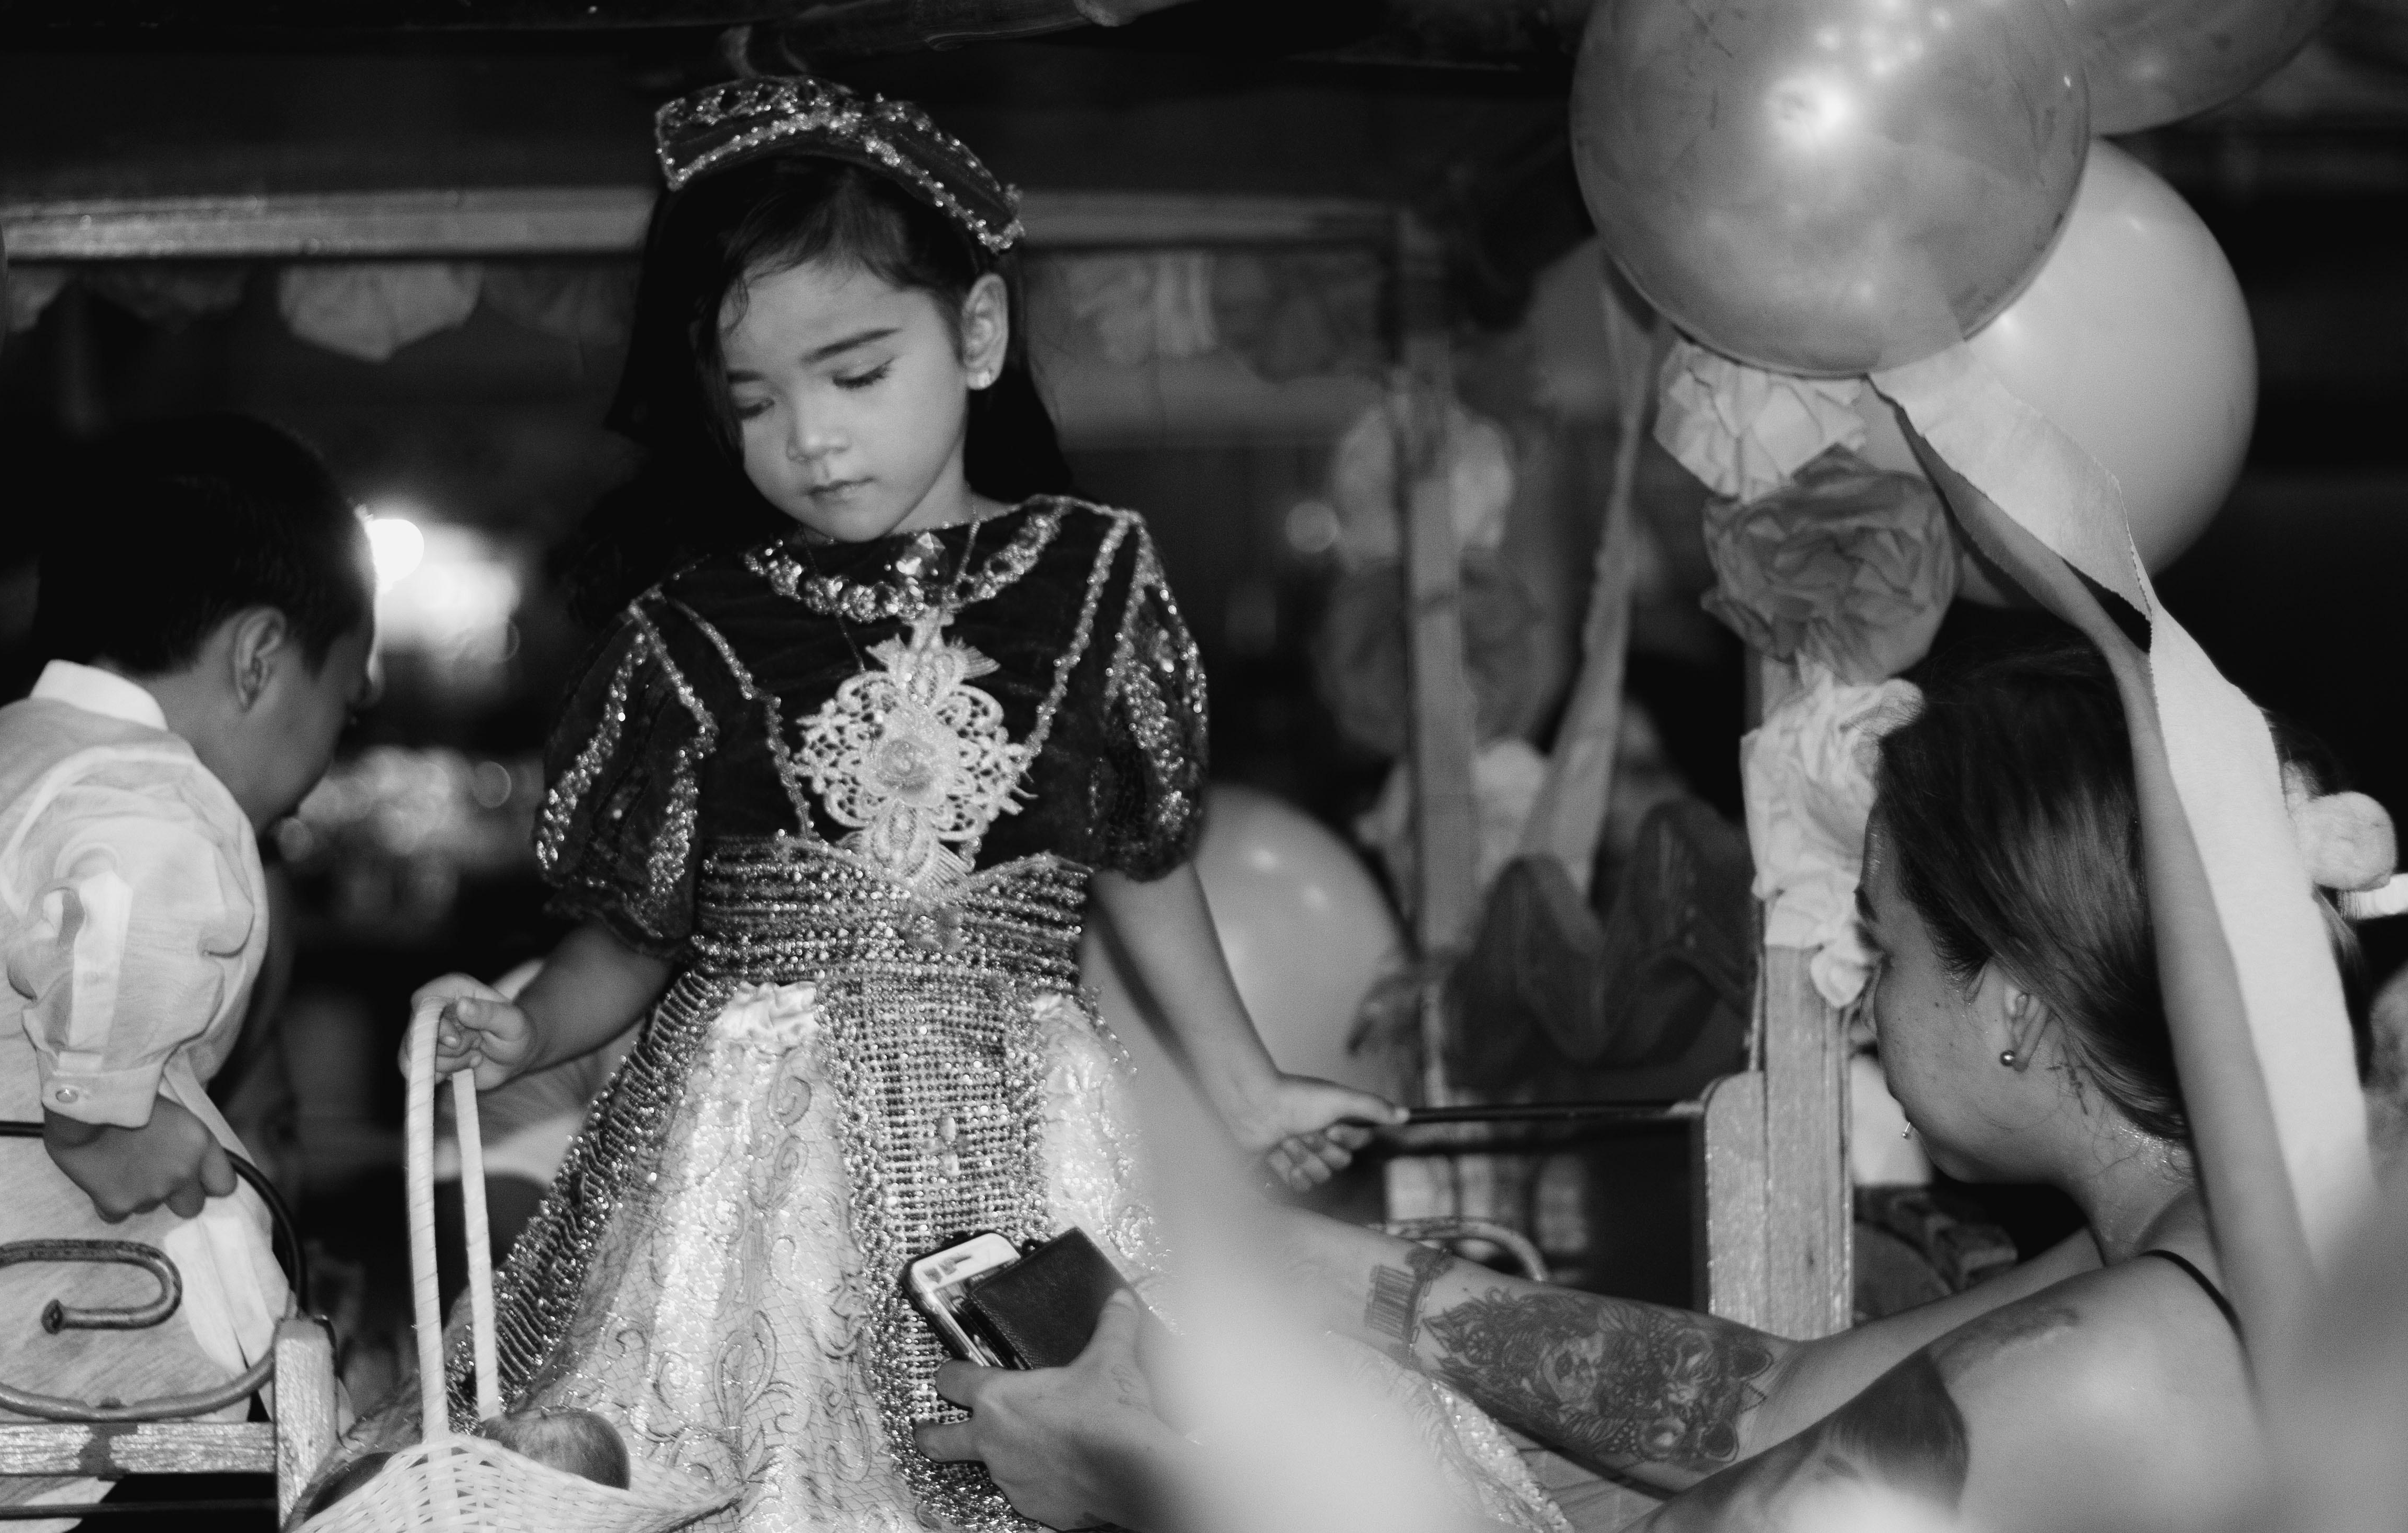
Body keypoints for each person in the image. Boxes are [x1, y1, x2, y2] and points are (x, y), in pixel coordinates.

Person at [390, 75, 1560, 1531]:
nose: (810, 436)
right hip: (759, 1143)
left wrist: (1250, 1088)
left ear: (982, 335)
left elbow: (1138, 854)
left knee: (1085, 1443)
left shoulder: (1088, 581)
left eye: (857, 371)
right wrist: (526, 1029)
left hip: (1026, 1114)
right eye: (756, 399)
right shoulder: (695, 627)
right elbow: (640, 928)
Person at [934, 639, 2379, 1532]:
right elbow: (1760, 1404)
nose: (1861, 986)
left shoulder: (2105, 1363)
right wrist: (1301, 1268)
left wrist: (1154, 1484)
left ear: (2011, 999)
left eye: (1882, 939)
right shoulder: (2184, 1251)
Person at [0, 415, 374, 1526]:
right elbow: (130, 895)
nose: (327, 756)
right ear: (261, 657)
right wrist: (101, 1113)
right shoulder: (154, 789)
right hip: (74, 1354)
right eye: (344, 700)